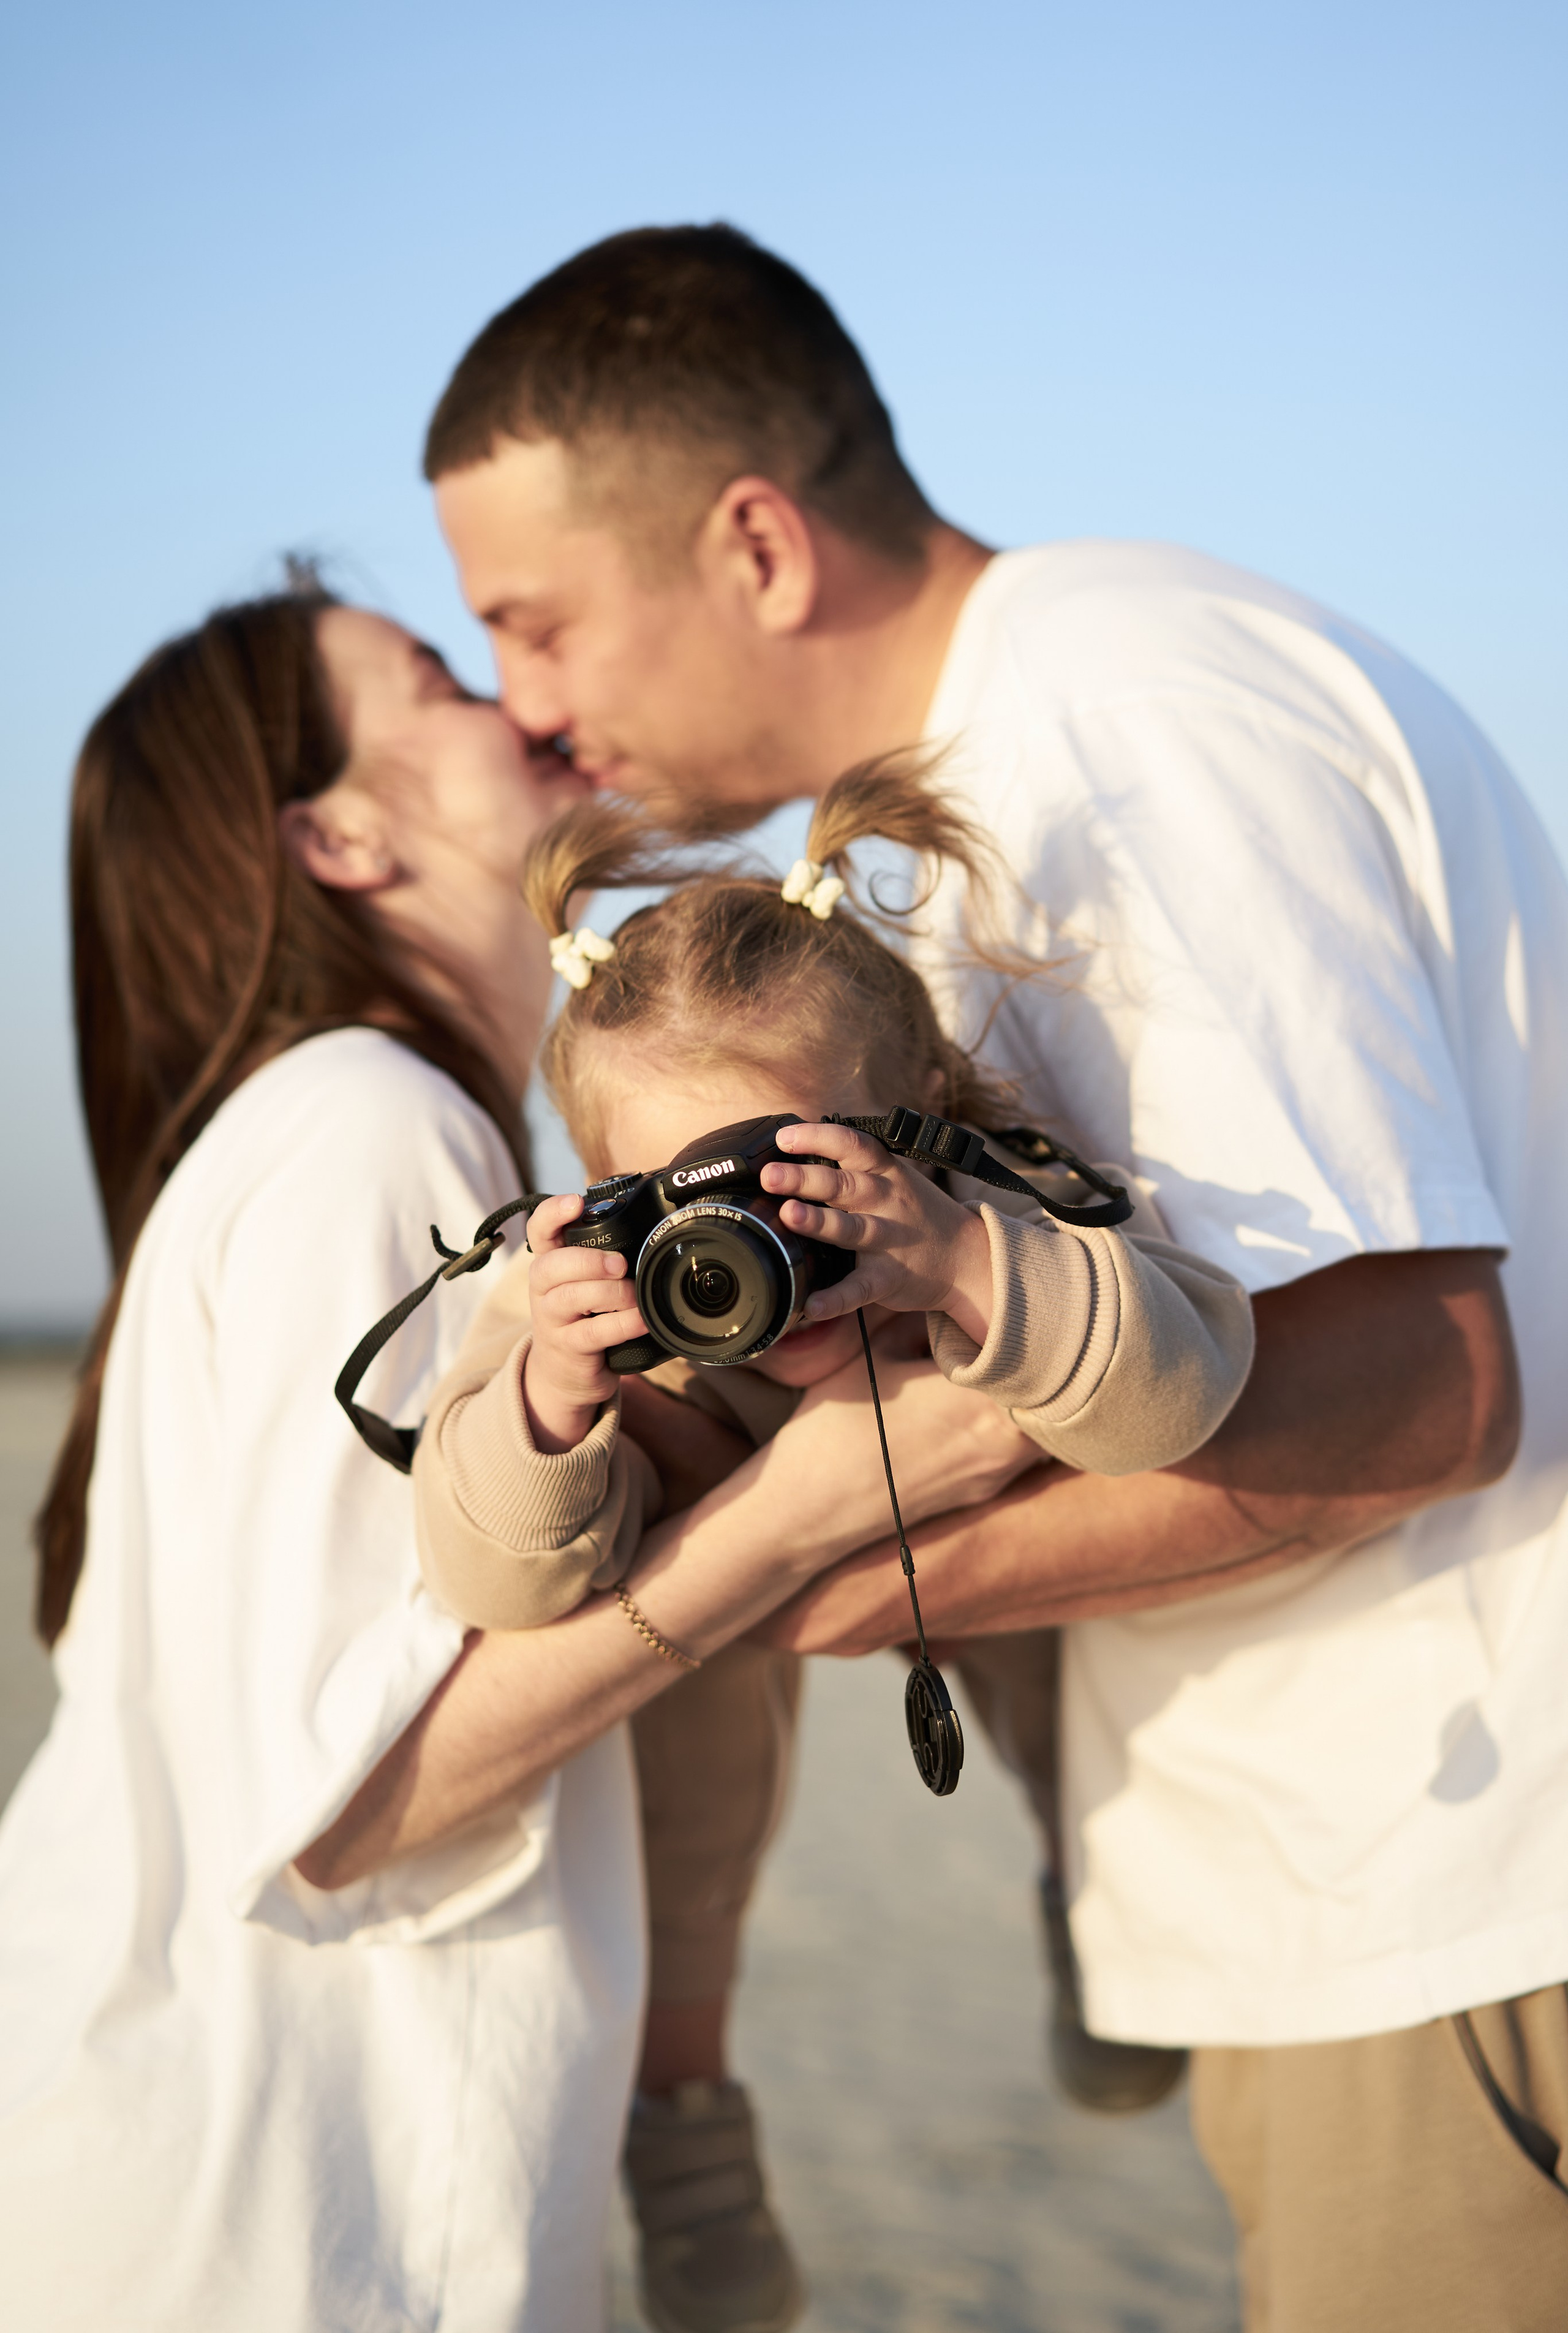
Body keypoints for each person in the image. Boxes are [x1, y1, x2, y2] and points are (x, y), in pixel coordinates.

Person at [422, 222, 1568, 2329]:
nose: (532, 714)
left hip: (1452, 1895)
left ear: (755, 544)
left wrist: (798, 1577)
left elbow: (1429, 1382)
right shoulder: (1035, 755)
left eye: (534, 622)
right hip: (1374, 1889)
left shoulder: (1117, 740)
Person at [0, 581, 1025, 2332]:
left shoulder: (343, 1122)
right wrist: (813, 1510)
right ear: (339, 829)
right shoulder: (366, 1128)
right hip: (279, 2220)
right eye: (441, 685)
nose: (526, 708)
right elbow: (349, 1804)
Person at [409, 755, 1254, 2332]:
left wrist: (967, 1267)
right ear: (601, 1193)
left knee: (1054, 1640)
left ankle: (1087, 1894)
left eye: (789, 1180)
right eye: (679, 1200)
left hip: (983, 1542)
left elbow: (1183, 1392)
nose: (748, 1252)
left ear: (915, 1120)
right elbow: (490, 1577)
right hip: (721, 1565)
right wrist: (544, 1393)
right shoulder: (578, 1301)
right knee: (681, 1735)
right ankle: (689, 2123)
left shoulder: (979, 1201)